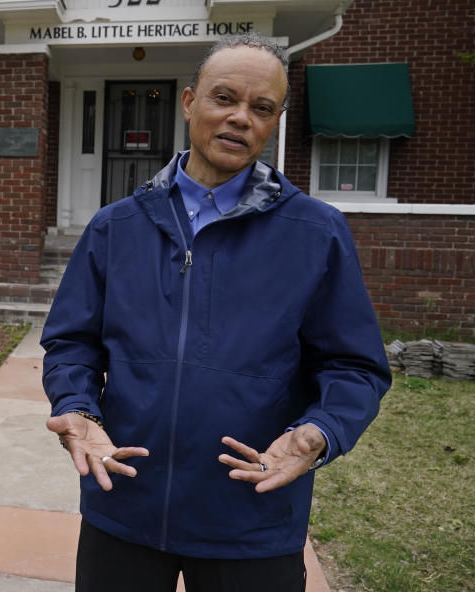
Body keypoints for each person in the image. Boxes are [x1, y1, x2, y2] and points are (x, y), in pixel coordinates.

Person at [41, 33, 391, 592]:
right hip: (125, 503)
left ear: (275, 121)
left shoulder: (316, 233)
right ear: (188, 102)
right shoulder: (116, 227)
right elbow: (71, 342)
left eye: (261, 107)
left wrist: (321, 430)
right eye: (223, 98)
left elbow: (356, 366)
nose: (240, 119)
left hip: (251, 517)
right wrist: (78, 407)